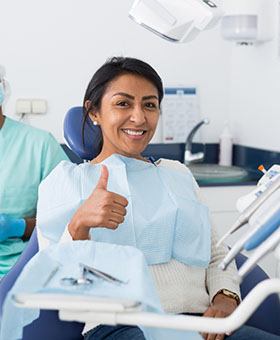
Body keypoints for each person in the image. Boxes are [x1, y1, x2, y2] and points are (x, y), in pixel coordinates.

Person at [36, 57, 279, 340]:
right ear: (94, 112)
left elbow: (215, 252)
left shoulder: (177, 174)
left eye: (149, 105)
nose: (139, 117)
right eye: (123, 103)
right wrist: (79, 225)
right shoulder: (67, 182)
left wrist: (225, 299)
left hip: (203, 326)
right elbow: (50, 282)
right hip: (122, 327)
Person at [0, 65, 69, 277]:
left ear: (2, 87)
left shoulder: (39, 145)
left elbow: (69, 220)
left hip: (19, 272)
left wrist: (18, 227)